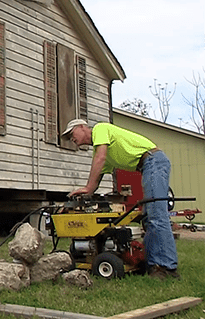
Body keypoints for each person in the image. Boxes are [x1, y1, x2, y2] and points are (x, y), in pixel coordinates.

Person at [62, 118, 179, 279]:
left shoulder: (100, 129)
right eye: (68, 138)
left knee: (157, 216)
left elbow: (100, 159)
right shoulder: (101, 150)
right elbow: (96, 178)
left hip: (153, 161)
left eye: (71, 134)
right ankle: (153, 265)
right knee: (148, 217)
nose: (71, 139)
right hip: (149, 165)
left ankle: (167, 268)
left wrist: (88, 188)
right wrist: (84, 193)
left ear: (82, 127)